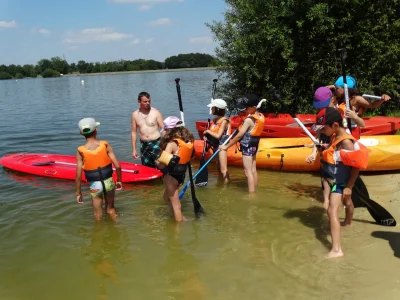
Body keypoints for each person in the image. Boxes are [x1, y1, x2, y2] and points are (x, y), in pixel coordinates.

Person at [313, 107, 368, 258]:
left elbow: (356, 166)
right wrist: (323, 149)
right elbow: (336, 154)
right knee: (348, 202)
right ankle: (349, 223)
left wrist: (349, 186)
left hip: (341, 182)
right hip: (337, 179)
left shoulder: (347, 143)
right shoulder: (336, 136)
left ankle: (337, 250)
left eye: (324, 127)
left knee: (332, 211)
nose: (322, 130)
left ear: (335, 126)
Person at [306, 86, 365, 210]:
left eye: (323, 104)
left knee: (342, 177)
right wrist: (313, 152)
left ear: (332, 99)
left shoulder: (340, 113)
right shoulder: (321, 115)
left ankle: (344, 199)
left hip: (340, 144)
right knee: (325, 174)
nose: (321, 108)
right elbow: (317, 134)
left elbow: (360, 125)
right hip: (326, 145)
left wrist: (354, 117)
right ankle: (326, 201)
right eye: (319, 106)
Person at [75, 117, 122, 221]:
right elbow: (118, 166)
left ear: (81, 133)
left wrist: (78, 193)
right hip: (109, 182)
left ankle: (98, 234)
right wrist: (119, 180)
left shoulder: (80, 151)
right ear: (96, 130)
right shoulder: (105, 145)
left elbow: (78, 175)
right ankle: (118, 232)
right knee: (111, 210)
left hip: (95, 185)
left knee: (98, 214)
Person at [219, 94, 265, 193]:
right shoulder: (260, 116)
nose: (244, 110)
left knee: (248, 172)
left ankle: (251, 195)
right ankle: (255, 188)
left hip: (247, 147)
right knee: (253, 170)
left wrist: (226, 146)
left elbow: (239, 136)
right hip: (254, 146)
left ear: (253, 108)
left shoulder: (249, 120)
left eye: (246, 108)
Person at [326, 76, 391, 139]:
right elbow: (322, 93)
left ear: (345, 88)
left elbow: (372, 105)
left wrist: (382, 99)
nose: (335, 90)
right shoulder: (336, 99)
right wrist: (332, 87)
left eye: (337, 88)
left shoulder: (356, 99)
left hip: (353, 131)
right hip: (340, 132)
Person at [158, 116, 195, 222]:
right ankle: (175, 215)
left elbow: (162, 164)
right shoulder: (187, 141)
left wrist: (157, 162)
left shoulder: (171, 144)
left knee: (176, 205)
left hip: (171, 177)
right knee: (166, 198)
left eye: (165, 130)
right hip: (180, 175)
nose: (164, 132)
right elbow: (191, 157)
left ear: (170, 130)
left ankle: (178, 228)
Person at [131, 92, 164, 168]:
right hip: (144, 144)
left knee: (160, 166)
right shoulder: (135, 115)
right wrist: (134, 149)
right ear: (139, 102)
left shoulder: (156, 112)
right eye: (145, 101)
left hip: (156, 143)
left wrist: (165, 146)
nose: (148, 103)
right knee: (147, 168)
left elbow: (164, 129)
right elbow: (134, 132)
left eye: (149, 101)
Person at [203, 98, 230, 184]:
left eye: (213, 108)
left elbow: (218, 135)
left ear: (217, 109)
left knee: (223, 169)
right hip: (215, 146)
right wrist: (207, 138)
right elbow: (213, 135)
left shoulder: (224, 121)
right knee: (218, 169)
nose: (211, 109)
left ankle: (226, 188)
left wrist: (208, 131)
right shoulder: (215, 120)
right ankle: (220, 184)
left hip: (222, 147)